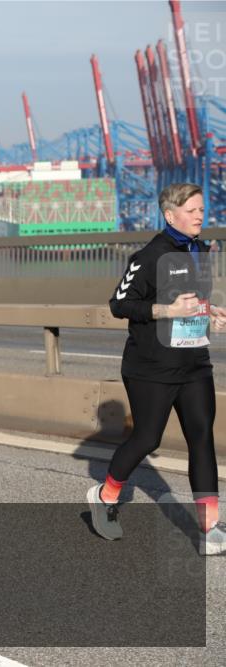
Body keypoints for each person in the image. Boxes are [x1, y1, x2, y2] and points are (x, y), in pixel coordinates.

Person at [90, 183, 226, 555]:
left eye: (202, 209)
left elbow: (190, 298)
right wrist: (168, 311)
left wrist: (208, 311)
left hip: (193, 361)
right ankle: (105, 495)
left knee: (201, 438)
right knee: (147, 438)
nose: (201, 215)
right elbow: (120, 304)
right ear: (170, 215)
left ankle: (209, 528)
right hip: (151, 365)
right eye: (193, 210)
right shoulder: (149, 255)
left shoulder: (199, 250)